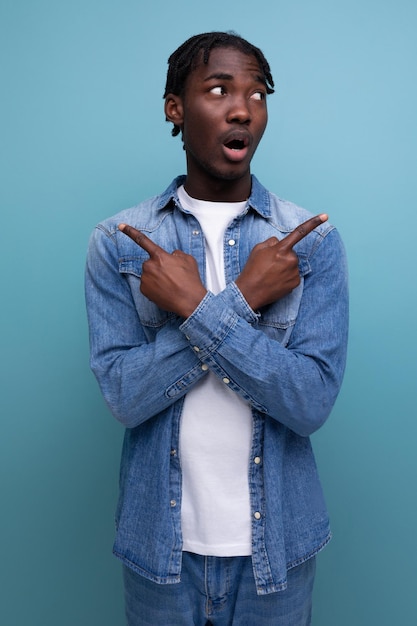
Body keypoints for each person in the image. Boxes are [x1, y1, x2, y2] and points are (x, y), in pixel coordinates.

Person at [85, 31, 348, 626]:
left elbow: (309, 403)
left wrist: (203, 307)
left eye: (258, 94)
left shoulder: (310, 242)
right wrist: (244, 301)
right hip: (160, 553)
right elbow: (125, 396)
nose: (242, 108)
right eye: (219, 89)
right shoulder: (120, 244)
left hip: (279, 550)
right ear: (175, 109)